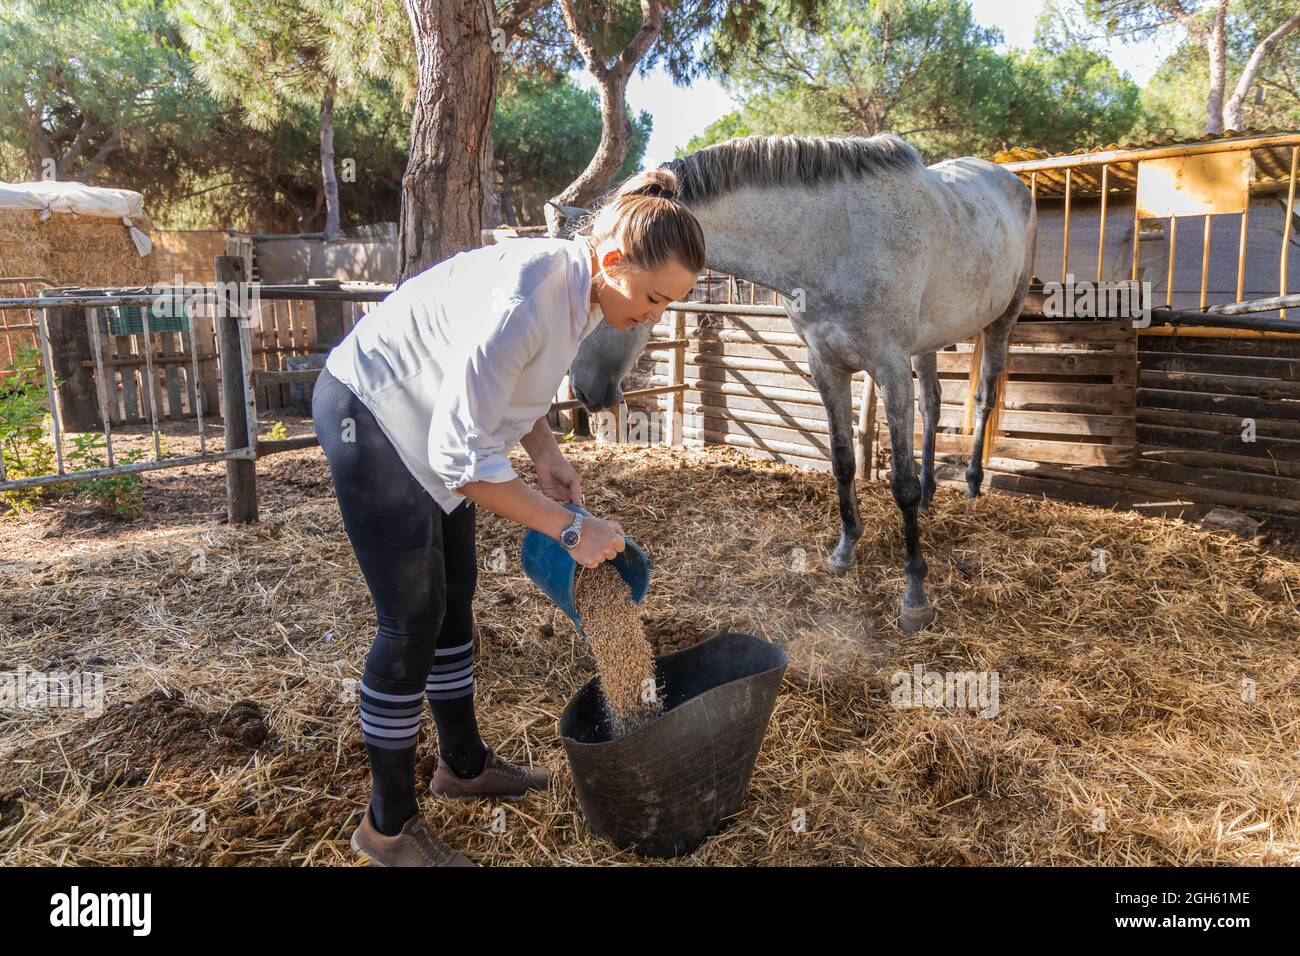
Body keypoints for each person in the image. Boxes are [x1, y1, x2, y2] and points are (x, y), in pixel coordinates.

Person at [312, 169, 706, 866]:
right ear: (614, 261)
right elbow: (463, 459)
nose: (653, 318)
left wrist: (544, 452)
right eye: (652, 299)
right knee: (411, 615)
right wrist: (571, 528)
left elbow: (515, 383)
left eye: (667, 305)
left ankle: (461, 768)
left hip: (437, 426)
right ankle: (387, 826)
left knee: (453, 595)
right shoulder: (526, 293)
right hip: (373, 411)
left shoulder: (587, 292)